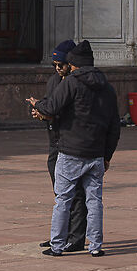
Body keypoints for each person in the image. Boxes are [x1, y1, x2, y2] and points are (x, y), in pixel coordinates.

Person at [35, 41, 122, 258]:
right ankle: (95, 246)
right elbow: (114, 127)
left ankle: (57, 246)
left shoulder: (72, 83)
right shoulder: (108, 87)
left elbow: (52, 107)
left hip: (71, 151)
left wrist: (36, 105)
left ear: (74, 64)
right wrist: (107, 156)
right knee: (94, 201)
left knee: (63, 199)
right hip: (96, 153)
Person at [34, 40, 88, 253]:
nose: (58, 69)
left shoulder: (77, 83)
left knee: (76, 193)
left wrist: (46, 110)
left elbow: (75, 112)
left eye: (61, 65)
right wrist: (40, 112)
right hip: (55, 141)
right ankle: (60, 234)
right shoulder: (55, 81)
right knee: (61, 192)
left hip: (73, 143)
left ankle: (76, 238)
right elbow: (50, 105)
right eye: (55, 65)